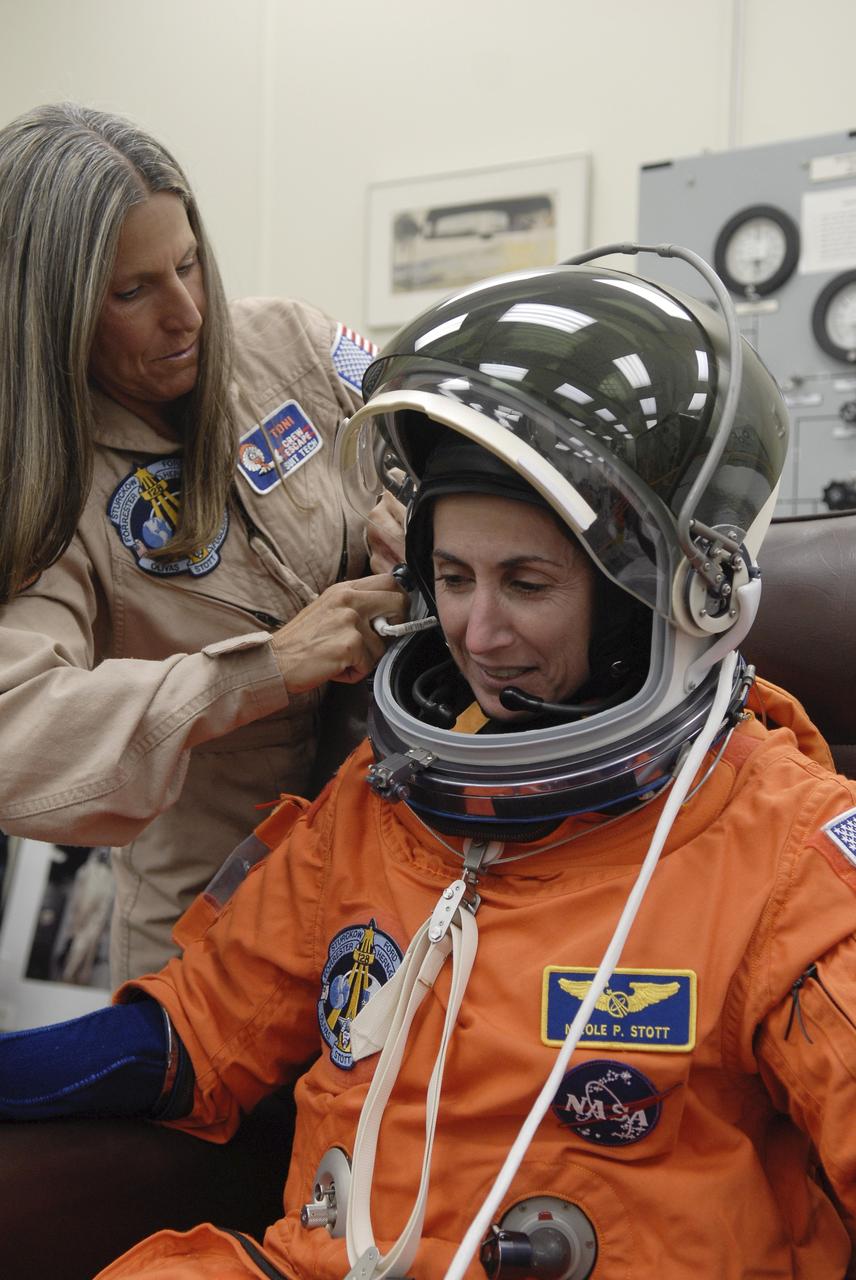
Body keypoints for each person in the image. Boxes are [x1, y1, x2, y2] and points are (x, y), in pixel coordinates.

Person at [3, 252, 856, 1280]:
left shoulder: (780, 855)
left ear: (653, 598)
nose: (478, 633)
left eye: (527, 582)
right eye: (450, 576)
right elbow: (194, 1034)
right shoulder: (376, 803)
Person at [0, 102, 406, 981]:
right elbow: (13, 726)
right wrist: (256, 672)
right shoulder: (41, 491)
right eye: (133, 291)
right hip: (213, 918)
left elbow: (425, 436)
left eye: (188, 263)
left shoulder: (292, 342)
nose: (187, 312)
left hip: (399, 867)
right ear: (52, 309)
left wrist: (415, 516)